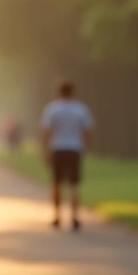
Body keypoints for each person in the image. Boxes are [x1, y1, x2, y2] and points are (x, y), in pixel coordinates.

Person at [41, 79, 94, 231]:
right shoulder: (80, 109)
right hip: (74, 149)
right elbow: (87, 131)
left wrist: (46, 151)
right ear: (73, 92)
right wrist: (87, 147)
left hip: (58, 148)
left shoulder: (53, 109)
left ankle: (57, 217)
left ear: (59, 92)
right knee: (74, 185)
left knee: (57, 184)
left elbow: (47, 132)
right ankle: (75, 218)